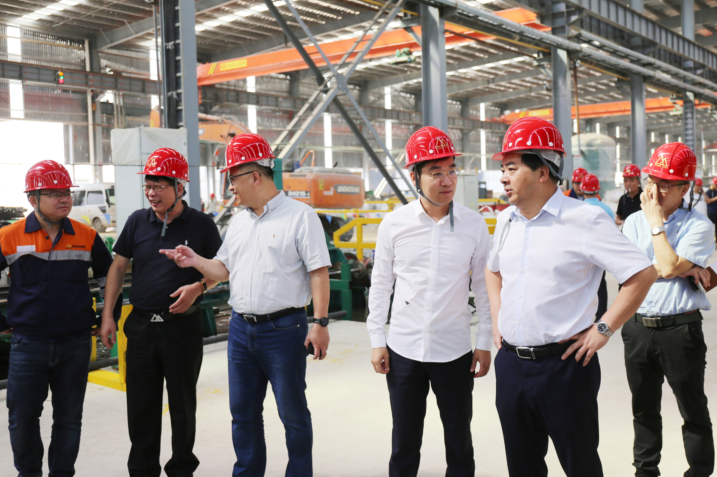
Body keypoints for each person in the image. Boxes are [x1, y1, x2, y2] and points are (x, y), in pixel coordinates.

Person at [485, 117, 657, 477]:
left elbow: (642, 274)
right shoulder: (506, 221)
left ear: (542, 172)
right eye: (503, 169)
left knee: (580, 465)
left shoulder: (585, 220)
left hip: (564, 367)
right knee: (522, 466)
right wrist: (498, 320)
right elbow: (492, 270)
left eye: (512, 168)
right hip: (512, 366)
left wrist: (603, 329)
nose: (503, 177)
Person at [161, 133, 331, 477]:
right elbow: (224, 270)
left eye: (233, 179)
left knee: (293, 415)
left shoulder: (301, 217)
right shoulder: (239, 222)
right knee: (243, 414)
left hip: (284, 330)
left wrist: (320, 323)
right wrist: (195, 260)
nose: (230, 188)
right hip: (241, 330)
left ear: (255, 176)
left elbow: (318, 272)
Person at [367, 126, 492, 477]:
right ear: (415, 177)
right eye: (436, 172)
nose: (447, 180)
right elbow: (381, 285)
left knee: (459, 441)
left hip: (455, 352)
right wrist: (377, 339)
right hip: (403, 350)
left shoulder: (474, 225)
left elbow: (484, 288)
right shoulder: (394, 224)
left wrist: (484, 342)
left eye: (451, 170)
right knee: (404, 442)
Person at [99, 148, 223, 477]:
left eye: (159, 186)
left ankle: (181, 468)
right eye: (148, 186)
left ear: (179, 187)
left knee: (182, 405)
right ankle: (142, 471)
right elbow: (118, 267)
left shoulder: (201, 224)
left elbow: (222, 269)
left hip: (181, 328)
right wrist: (109, 315)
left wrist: (199, 287)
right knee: (141, 407)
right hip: (140, 328)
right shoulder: (137, 221)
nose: (151, 193)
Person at [1, 160, 120, 476]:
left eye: (66, 192)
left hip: (75, 344)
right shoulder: (9, 236)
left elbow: (110, 276)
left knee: (69, 418)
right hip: (28, 345)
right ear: (33, 199)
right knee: (22, 418)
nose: (64, 199)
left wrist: (109, 316)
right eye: (54, 193)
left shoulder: (87, 235)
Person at [622, 142, 714, 477]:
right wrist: (679, 266)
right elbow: (627, 272)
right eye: (652, 181)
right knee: (643, 409)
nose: (654, 190)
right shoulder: (632, 222)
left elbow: (668, 266)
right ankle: (645, 472)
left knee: (693, 409)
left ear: (684, 188)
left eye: (665, 184)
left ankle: (699, 471)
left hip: (680, 329)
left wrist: (656, 224)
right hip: (638, 328)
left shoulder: (698, 226)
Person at [580, 173, 614, 321]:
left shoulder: (577, 208)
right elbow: (612, 232)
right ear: (598, 190)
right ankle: (601, 315)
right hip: (601, 252)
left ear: (582, 190)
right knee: (601, 283)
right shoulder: (607, 209)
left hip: (581, 252)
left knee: (581, 284)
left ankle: (582, 317)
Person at [706, 177, 717, 242]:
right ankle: (709, 240)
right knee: (710, 227)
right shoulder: (708, 192)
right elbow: (708, 201)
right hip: (711, 213)